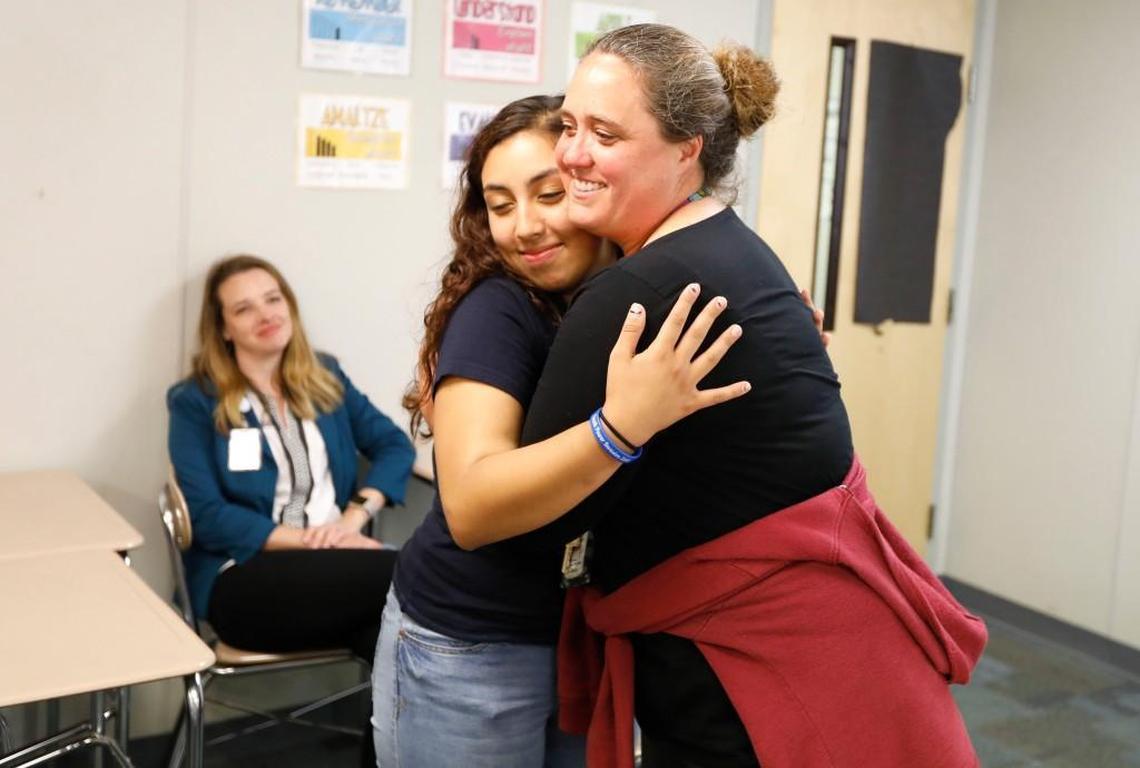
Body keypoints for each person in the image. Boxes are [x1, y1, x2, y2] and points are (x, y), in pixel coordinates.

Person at [520, 24, 987, 768]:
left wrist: (607, 430)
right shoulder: (729, 245)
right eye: (569, 126)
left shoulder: (638, 291)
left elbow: (525, 514)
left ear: (687, 148)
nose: (572, 153)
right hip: (826, 640)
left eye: (604, 133)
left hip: (761, 666)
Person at [371, 95, 756, 768]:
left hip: (582, 638)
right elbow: (469, 507)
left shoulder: (631, 300)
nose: (524, 227)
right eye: (500, 205)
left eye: (548, 195)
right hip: (468, 647)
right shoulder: (498, 311)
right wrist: (617, 429)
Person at [167, 254, 414, 665]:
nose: (266, 315)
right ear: (223, 329)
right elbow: (205, 514)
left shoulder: (325, 376)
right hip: (245, 575)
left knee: (394, 642)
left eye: (272, 299)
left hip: (338, 567)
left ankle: (383, 732)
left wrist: (351, 520)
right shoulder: (195, 401)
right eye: (244, 309)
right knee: (420, 577)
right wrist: (313, 541)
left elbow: (394, 446)